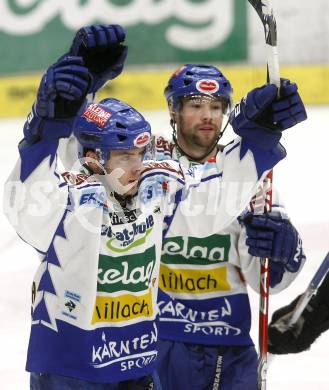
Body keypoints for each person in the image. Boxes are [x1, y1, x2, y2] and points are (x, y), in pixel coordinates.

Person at [3, 25, 290, 390]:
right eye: (126, 155)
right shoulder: (70, 204)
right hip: (71, 369)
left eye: (141, 153)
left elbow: (206, 205)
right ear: (93, 159)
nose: (138, 165)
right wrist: (43, 133)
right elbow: (27, 202)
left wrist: (256, 142)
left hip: (136, 365)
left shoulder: (155, 191)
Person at [150, 64, 308, 389]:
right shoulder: (146, 164)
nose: (208, 115)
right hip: (156, 341)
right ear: (173, 109)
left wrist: (282, 251)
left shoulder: (248, 173)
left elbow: (269, 281)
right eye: (196, 105)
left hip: (230, 345)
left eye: (216, 106)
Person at [268, 272, 329, 355]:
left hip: (319, 306)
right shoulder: (294, 344)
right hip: (319, 308)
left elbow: (300, 301)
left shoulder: (277, 318)